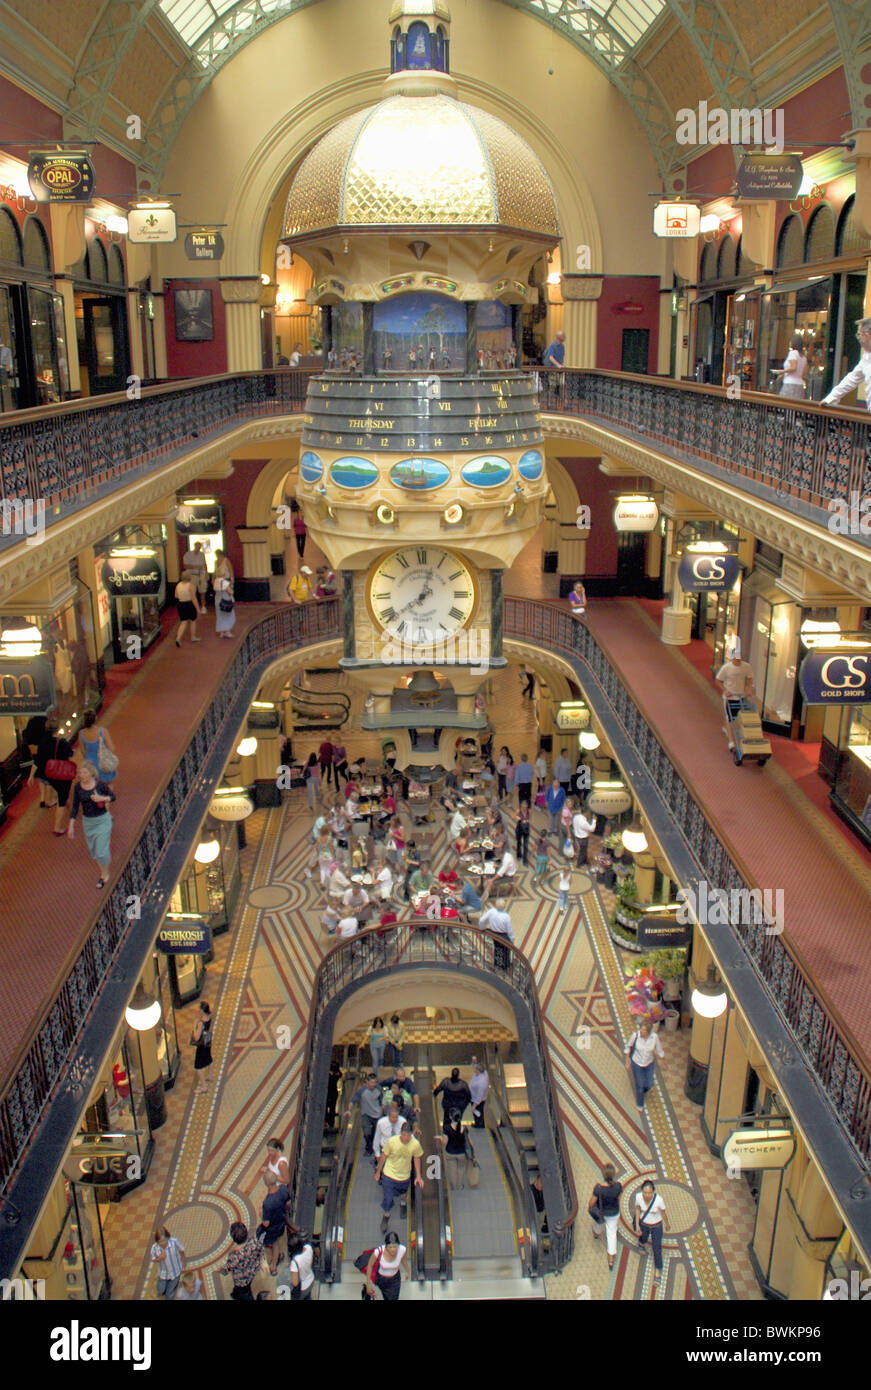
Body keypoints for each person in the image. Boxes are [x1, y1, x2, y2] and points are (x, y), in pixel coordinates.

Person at [67, 762, 116, 889]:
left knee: (101, 852)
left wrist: (102, 799)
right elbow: (75, 807)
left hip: (102, 820)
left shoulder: (99, 785)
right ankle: (103, 871)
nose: (82, 775)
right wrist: (71, 825)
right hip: (88, 822)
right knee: (94, 852)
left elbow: (112, 797)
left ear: (91, 773)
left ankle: (105, 874)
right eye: (80, 773)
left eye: (85, 773)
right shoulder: (78, 787)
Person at [374, 1122, 424, 1228]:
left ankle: (403, 1204)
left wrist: (418, 1176)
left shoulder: (415, 1144)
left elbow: (417, 1158)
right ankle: (386, 1215)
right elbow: (384, 1156)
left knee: (403, 1193)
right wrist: (378, 1171)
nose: (406, 1138)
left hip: (404, 1176)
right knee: (387, 1198)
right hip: (389, 1175)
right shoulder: (392, 1141)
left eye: (408, 1135)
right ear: (401, 1133)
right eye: (404, 1135)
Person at [31, 718, 74, 834]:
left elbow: (37, 761)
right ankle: (57, 828)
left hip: (49, 774)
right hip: (62, 774)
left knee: (63, 793)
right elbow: (70, 755)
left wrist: (31, 776)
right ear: (57, 729)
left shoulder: (42, 743)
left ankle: (72, 811)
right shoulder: (62, 742)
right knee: (62, 800)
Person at [823, 317, 871, 412]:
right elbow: (851, 379)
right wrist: (830, 399)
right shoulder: (866, 358)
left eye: (859, 334)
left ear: (868, 334)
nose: (858, 338)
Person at [715, 642, 755, 752]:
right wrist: (725, 690)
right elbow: (718, 680)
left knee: (742, 717)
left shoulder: (746, 666)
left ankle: (727, 729)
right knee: (730, 718)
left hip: (741, 696)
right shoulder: (726, 668)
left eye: (739, 658)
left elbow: (750, 677)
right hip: (729, 698)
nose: (738, 660)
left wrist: (749, 688)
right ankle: (731, 742)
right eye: (736, 658)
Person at [624, 1019, 665, 1113]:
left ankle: (643, 1090)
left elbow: (659, 1050)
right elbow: (628, 1047)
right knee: (640, 1085)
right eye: (641, 1029)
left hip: (649, 1063)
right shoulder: (635, 1036)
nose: (641, 1032)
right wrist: (627, 1062)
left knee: (649, 1083)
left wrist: (663, 1062)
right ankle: (640, 1103)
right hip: (636, 1063)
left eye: (644, 1030)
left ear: (648, 1032)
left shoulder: (654, 1037)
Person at [633, 1180, 669, 1284]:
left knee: (656, 1248)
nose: (647, 1195)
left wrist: (667, 1224)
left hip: (656, 1226)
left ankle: (658, 1271)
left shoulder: (659, 1200)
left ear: (653, 1192)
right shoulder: (638, 1197)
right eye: (645, 1192)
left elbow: (663, 1213)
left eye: (649, 1193)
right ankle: (641, 1245)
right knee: (643, 1238)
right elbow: (637, 1209)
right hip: (644, 1224)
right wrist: (637, 1224)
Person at [589, 1163, 623, 1271]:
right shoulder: (618, 1186)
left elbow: (591, 1203)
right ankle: (611, 1259)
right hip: (614, 1213)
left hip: (601, 1213)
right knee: (612, 1235)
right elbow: (619, 1199)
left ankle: (596, 1234)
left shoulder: (598, 1188)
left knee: (597, 1224)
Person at [219, 1222, 264, 1300]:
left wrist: (220, 1269)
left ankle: (237, 1295)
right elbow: (261, 1250)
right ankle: (235, 1294)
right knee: (242, 1289)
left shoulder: (235, 1256)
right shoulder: (254, 1241)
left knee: (246, 1294)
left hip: (242, 1280)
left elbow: (226, 1270)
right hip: (252, 1271)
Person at [257, 1173, 290, 1274]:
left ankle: (273, 1265)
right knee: (276, 1241)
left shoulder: (268, 1203)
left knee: (274, 1243)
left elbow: (266, 1223)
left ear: (266, 1184)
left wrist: (260, 1213)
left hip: (271, 1229)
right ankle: (275, 1257)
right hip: (281, 1223)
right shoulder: (284, 1189)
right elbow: (288, 1203)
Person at [345, 1072, 383, 1155]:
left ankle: (372, 1147)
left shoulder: (379, 1089)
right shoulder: (362, 1090)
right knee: (366, 1132)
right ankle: (369, 1147)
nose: (373, 1085)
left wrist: (381, 1112)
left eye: (375, 1082)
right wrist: (349, 1110)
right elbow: (352, 1100)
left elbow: (381, 1101)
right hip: (366, 1114)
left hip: (377, 1114)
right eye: (371, 1082)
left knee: (375, 1133)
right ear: (367, 1082)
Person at [365, 1234, 410, 1301]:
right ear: (386, 1247)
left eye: (395, 1247)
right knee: (386, 1297)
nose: (393, 1250)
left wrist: (407, 1271)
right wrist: (368, 1285)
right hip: (382, 1279)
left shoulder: (402, 1250)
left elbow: (403, 1260)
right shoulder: (379, 1251)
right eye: (390, 1247)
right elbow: (370, 1265)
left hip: (395, 1279)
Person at [78, 709, 118, 783]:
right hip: (102, 763)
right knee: (108, 784)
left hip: (90, 765)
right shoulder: (102, 731)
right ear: (95, 718)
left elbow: (83, 752)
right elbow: (111, 748)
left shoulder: (81, 734)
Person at [151, 1225, 186, 1299]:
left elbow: (182, 1250)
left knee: (170, 1291)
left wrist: (183, 1260)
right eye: (160, 1242)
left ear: (168, 1237)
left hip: (176, 1271)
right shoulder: (155, 1248)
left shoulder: (174, 1242)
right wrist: (159, 1258)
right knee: (161, 1288)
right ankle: (161, 1293)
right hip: (163, 1273)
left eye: (164, 1240)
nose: (162, 1243)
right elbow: (153, 1259)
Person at [479, 898, 515, 969]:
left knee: (497, 948)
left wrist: (483, 928)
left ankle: (497, 964)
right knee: (506, 950)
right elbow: (509, 929)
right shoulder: (506, 916)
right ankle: (505, 965)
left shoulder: (491, 911)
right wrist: (512, 939)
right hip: (503, 935)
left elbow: (481, 920)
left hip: (494, 934)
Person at [439, 1109, 469, 1190]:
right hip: (462, 1153)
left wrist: (440, 1139)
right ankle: (460, 1185)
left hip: (450, 1153)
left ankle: (454, 1186)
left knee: (452, 1170)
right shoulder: (464, 1128)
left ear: (450, 1117)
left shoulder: (447, 1128)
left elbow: (445, 1142)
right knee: (461, 1168)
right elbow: (470, 1142)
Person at [190, 1000, 214, 1095]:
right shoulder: (209, 1018)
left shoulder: (200, 1023)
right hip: (208, 1039)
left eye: (199, 1009)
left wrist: (194, 1027)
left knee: (198, 1067)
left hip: (202, 1045)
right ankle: (210, 1075)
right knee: (209, 1057)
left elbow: (196, 1037)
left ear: (201, 1010)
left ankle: (204, 1087)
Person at [174, 570, 202, 645]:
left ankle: (178, 638)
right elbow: (193, 598)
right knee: (193, 621)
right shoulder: (190, 586)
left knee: (183, 622)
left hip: (181, 604)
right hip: (189, 604)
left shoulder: (178, 585)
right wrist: (198, 609)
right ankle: (193, 637)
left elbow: (176, 595)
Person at [285, 1232, 315, 1300]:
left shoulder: (295, 1262)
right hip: (311, 1279)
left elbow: (295, 1283)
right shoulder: (308, 1248)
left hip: (302, 1287)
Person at [777, 334, 808, 399]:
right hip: (800, 384)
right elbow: (805, 372)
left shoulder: (793, 353)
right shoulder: (803, 357)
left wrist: (782, 371)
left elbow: (794, 367)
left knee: (784, 403)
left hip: (789, 383)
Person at [214, 573, 236, 638]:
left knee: (220, 616)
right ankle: (227, 632)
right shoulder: (224, 582)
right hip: (225, 600)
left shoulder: (216, 581)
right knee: (228, 616)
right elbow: (230, 591)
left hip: (217, 600)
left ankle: (222, 632)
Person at [469, 1061, 489, 1128]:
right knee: (477, 1113)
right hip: (474, 1097)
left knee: (478, 1113)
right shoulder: (482, 1073)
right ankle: (478, 1123)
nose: (474, 1070)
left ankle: (479, 1125)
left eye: (475, 1069)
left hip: (477, 1100)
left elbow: (479, 1096)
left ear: (478, 1071)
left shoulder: (481, 1082)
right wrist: (474, 1062)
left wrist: (474, 1105)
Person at [515, 800, 531, 865]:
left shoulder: (529, 811)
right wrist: (518, 818)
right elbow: (513, 816)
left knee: (525, 845)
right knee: (519, 843)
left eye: (525, 805)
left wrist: (527, 821)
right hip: (519, 828)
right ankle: (519, 855)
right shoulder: (518, 811)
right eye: (523, 806)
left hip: (526, 829)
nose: (524, 807)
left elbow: (530, 818)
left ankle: (525, 860)